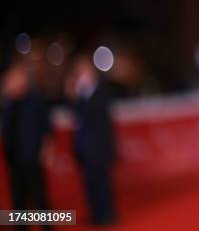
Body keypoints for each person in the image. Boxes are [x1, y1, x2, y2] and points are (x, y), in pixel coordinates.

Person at [64, 53, 118, 226]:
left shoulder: (101, 90)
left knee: (102, 182)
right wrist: (74, 96)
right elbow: (77, 115)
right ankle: (96, 214)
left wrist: (83, 93)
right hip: (83, 146)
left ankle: (107, 215)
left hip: (98, 146)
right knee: (89, 183)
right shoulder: (79, 92)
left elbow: (98, 115)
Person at [1, 52, 53, 231]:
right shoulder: (8, 103)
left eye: (15, 77)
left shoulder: (35, 100)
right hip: (14, 158)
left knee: (39, 197)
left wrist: (46, 149)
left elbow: (47, 127)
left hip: (32, 156)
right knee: (18, 198)